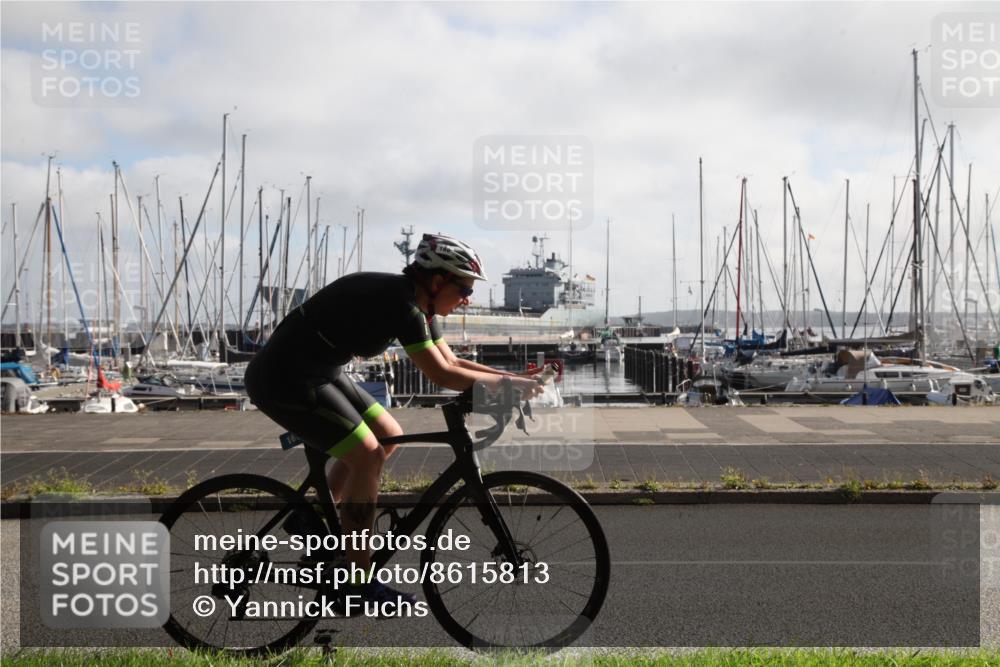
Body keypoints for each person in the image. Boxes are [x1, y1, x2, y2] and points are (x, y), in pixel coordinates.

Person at [244, 233, 543, 608]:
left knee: (389, 434)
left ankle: (314, 522)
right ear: (437, 281)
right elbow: (442, 376)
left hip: (321, 371)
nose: (469, 297)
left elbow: (454, 363)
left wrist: (515, 380)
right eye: (464, 287)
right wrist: (509, 386)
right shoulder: (401, 304)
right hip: (283, 377)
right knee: (366, 455)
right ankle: (359, 582)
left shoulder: (420, 305)